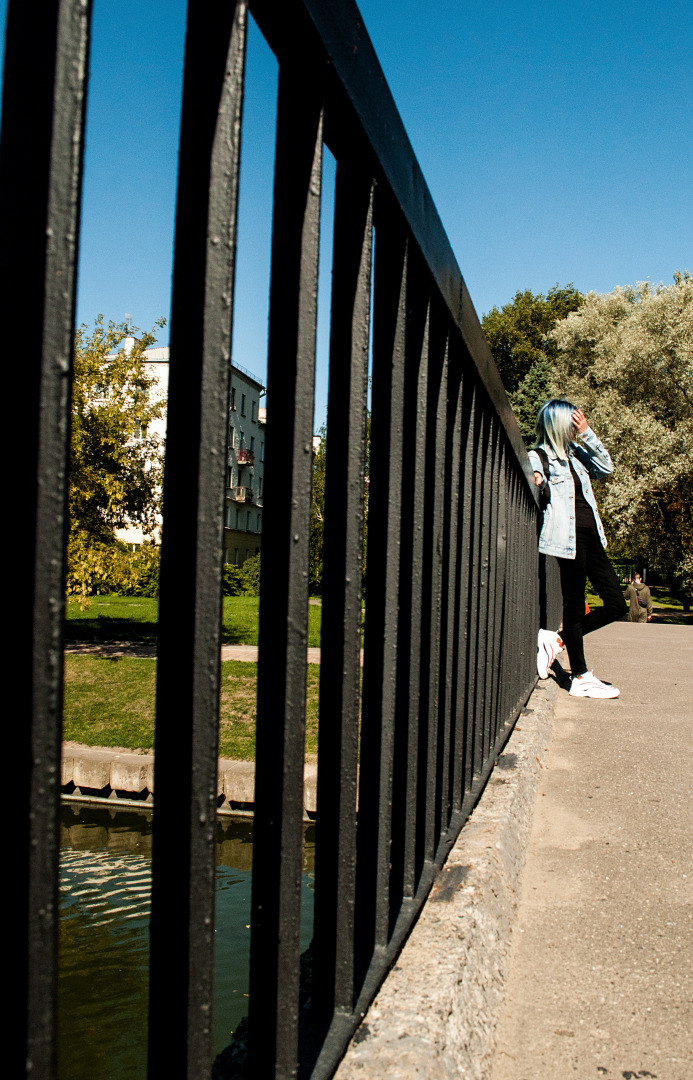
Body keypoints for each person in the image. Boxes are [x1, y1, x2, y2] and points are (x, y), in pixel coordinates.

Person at [530, 399, 627, 698]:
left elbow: (606, 467)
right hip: (566, 539)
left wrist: (586, 433)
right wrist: (537, 477)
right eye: (572, 422)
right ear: (557, 423)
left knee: (617, 604)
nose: (575, 425)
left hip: (593, 537)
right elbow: (534, 473)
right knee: (574, 604)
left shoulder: (577, 454)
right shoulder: (540, 455)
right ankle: (581, 677)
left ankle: (556, 641)